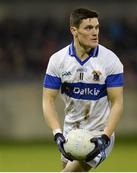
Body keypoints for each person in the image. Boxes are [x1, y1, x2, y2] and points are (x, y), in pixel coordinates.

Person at [42, 8, 124, 172]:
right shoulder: (58, 60)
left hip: (98, 134)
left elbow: (117, 103)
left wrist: (105, 137)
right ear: (74, 30)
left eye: (97, 27)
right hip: (70, 135)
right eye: (88, 28)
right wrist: (57, 134)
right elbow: (48, 100)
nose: (95, 32)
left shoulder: (110, 60)